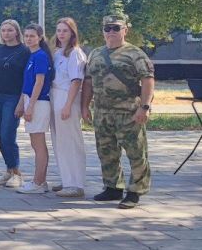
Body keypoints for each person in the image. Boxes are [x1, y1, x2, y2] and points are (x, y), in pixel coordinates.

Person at [82, 12, 155, 209]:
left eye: (116, 28)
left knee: (136, 152)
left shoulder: (135, 53)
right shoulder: (95, 54)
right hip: (103, 112)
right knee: (106, 152)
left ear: (125, 30)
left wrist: (145, 107)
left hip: (129, 112)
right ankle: (113, 187)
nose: (111, 32)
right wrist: (84, 106)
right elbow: (88, 82)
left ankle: (135, 191)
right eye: (108, 28)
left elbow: (147, 80)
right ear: (103, 31)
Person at [51, 18, 88, 198]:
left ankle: (76, 182)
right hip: (55, 95)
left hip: (67, 97)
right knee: (59, 142)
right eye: (58, 30)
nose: (61, 34)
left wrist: (67, 105)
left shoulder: (75, 53)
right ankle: (66, 179)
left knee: (71, 142)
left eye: (65, 30)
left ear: (72, 33)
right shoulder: (58, 53)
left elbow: (76, 81)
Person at [0, 20, 29, 189]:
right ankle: (9, 169)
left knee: (7, 135)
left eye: (10, 30)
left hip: (13, 97)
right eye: (3, 30)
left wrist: (22, 102)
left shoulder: (24, 51)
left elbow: (27, 79)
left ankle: (16, 173)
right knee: (0, 136)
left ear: (16, 32)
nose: (6, 33)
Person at [15, 23, 52, 194]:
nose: (29, 38)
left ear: (40, 37)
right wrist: (22, 104)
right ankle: (39, 180)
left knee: (39, 144)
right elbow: (27, 84)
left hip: (39, 102)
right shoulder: (32, 56)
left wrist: (30, 106)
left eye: (32, 36)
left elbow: (39, 82)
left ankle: (39, 182)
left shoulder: (40, 56)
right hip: (31, 100)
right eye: (27, 35)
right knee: (35, 143)